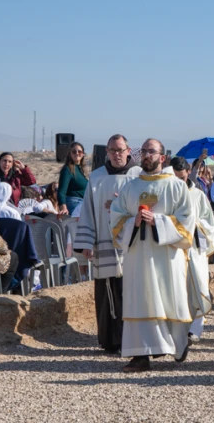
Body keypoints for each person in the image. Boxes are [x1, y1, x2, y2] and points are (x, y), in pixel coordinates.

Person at [110, 138, 196, 373]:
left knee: (168, 299)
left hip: (166, 257)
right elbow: (116, 219)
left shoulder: (177, 186)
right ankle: (140, 355)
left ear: (163, 157)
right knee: (140, 300)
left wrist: (158, 221)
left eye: (151, 151)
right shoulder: (130, 187)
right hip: (138, 256)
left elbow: (188, 222)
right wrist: (132, 222)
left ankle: (178, 344)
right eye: (144, 151)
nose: (146, 155)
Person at [74, 134, 141, 354]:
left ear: (128, 150)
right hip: (104, 242)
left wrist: (119, 206)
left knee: (130, 291)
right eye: (112, 150)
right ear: (107, 152)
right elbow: (87, 210)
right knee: (107, 291)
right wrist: (87, 243)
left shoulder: (139, 176)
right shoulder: (97, 177)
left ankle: (131, 339)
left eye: (120, 150)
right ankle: (109, 340)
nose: (116, 154)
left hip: (132, 244)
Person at [169, 156, 214, 343]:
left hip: (194, 249)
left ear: (188, 172)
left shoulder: (198, 195)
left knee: (197, 286)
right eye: (175, 178)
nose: (179, 182)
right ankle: (177, 329)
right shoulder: (168, 194)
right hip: (173, 248)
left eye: (181, 178)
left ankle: (196, 327)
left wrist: (194, 223)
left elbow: (209, 221)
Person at [58, 142, 89, 215]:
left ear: (83, 154)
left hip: (84, 203)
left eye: (80, 151)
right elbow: (61, 191)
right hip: (74, 203)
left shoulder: (82, 170)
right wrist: (63, 207)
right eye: (74, 151)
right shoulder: (67, 169)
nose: (77, 153)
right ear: (70, 154)